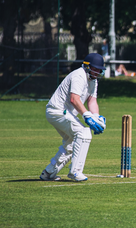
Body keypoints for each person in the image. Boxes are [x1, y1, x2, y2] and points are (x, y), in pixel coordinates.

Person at [40, 53, 107, 182]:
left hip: (65, 113)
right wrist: (87, 117)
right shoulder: (79, 75)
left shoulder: (93, 80)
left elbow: (92, 101)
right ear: (87, 66)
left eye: (100, 70)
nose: (98, 72)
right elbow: (74, 99)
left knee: (71, 144)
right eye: (96, 68)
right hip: (57, 111)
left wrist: (96, 117)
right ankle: (75, 172)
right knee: (84, 133)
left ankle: (48, 173)